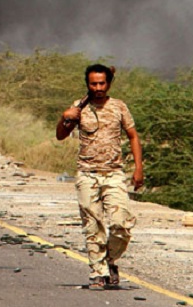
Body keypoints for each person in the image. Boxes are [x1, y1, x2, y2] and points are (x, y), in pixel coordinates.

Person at [56, 63, 144, 290]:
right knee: (92, 226)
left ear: (109, 84)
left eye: (102, 83)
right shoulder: (79, 107)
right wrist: (65, 117)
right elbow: (61, 135)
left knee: (121, 224)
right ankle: (97, 273)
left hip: (114, 174)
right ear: (88, 84)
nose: (98, 88)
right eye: (93, 84)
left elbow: (133, 136)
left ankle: (109, 260)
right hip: (87, 174)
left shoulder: (119, 107)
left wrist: (138, 169)